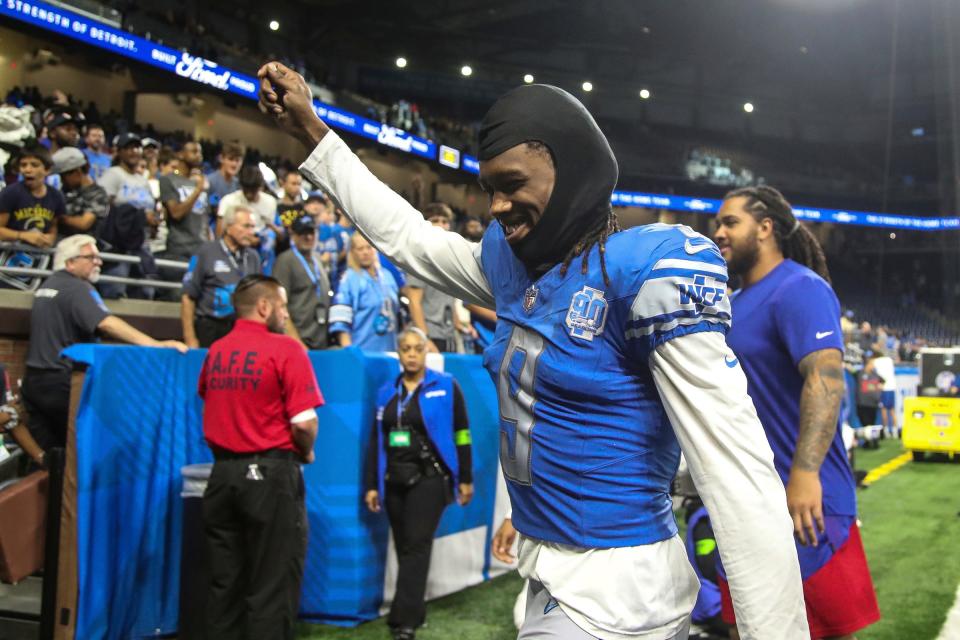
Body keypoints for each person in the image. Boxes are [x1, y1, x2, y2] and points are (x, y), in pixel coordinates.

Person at [260, 62, 807, 639]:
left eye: (513, 184)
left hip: (616, 583)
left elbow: (738, 472)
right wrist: (314, 135)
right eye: (489, 188)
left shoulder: (644, 271)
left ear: (571, 173)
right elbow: (410, 239)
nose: (496, 205)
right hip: (554, 568)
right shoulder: (514, 268)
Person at [713, 185, 880, 639]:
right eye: (718, 223)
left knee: (822, 630)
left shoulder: (799, 287)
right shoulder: (731, 304)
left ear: (765, 228)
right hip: (747, 504)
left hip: (805, 497)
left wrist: (805, 474)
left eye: (731, 222)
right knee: (745, 630)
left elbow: (825, 379)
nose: (719, 232)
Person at [198, 273, 322, 639]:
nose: (286, 315)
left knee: (224, 586)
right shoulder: (286, 349)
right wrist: (307, 451)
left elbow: (209, 396)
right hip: (270, 475)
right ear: (265, 307)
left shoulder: (217, 350)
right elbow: (303, 422)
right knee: (272, 586)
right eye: (283, 306)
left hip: (221, 477)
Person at [22, 235, 186, 450]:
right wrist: (153, 343)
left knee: (51, 458)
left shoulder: (47, 285)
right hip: (61, 382)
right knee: (84, 450)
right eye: (91, 257)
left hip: (33, 382)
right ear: (70, 262)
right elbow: (106, 323)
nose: (98, 262)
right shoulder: (78, 288)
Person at [364, 327, 474, 640]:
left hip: (430, 478)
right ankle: (416, 610)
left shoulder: (446, 386)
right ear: (398, 353)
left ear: (427, 351)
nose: (412, 354)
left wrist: (465, 477)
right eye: (405, 349)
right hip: (394, 479)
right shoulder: (386, 391)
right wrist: (373, 484)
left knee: (415, 545)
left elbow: (462, 433)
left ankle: (405, 621)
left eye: (417, 348)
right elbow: (377, 441)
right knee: (405, 547)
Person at [182, 206, 261, 348]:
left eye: (253, 227)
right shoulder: (206, 252)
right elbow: (188, 297)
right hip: (210, 327)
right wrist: (190, 338)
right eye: (246, 226)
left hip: (241, 329)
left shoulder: (253, 257)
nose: (251, 232)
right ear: (228, 227)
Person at [406, 203, 476, 353]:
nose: (441, 225)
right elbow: (414, 301)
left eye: (445, 221)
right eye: (435, 220)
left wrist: (460, 324)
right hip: (429, 335)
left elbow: (448, 299)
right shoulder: (420, 256)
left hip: (448, 335)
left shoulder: (448, 258)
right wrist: (424, 338)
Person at [97, 133, 157, 299]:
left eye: (137, 148)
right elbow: (103, 207)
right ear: (120, 152)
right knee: (115, 291)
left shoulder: (142, 180)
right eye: (129, 148)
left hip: (142, 244)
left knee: (146, 292)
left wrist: (152, 221)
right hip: (119, 244)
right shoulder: (113, 174)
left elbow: (151, 209)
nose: (134, 152)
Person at [0, 145, 63, 290]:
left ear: (47, 170)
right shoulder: (10, 193)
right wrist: (23, 235)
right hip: (7, 261)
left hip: (37, 262)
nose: (27, 169)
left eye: (34, 165)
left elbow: (54, 225)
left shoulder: (56, 196)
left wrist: (51, 237)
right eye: (23, 165)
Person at [328, 233, 399, 351]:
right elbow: (340, 323)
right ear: (352, 252)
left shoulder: (387, 276)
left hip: (390, 350)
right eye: (360, 249)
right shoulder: (347, 280)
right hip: (362, 351)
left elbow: (397, 314)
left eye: (369, 247)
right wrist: (351, 354)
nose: (365, 252)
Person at [273, 214, 331, 349]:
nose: (308, 237)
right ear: (293, 235)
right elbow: (278, 305)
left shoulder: (318, 259)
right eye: (302, 233)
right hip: (298, 342)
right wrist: (297, 343)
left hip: (320, 340)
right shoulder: (285, 260)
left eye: (311, 232)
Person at [217, 166, 280, 273]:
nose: (249, 194)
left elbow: (273, 232)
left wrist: (260, 240)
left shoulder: (270, 202)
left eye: (253, 190)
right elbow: (219, 234)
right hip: (232, 249)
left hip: (261, 251)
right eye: (246, 190)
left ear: (261, 187)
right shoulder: (228, 201)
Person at [158, 140, 209, 269]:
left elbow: (204, 217)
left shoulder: (200, 181)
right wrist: (197, 190)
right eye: (194, 151)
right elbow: (176, 213)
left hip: (201, 249)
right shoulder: (168, 180)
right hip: (179, 250)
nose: (199, 155)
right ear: (180, 155)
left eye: (200, 152)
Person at [52, 147, 109, 239]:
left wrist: (58, 217)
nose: (62, 181)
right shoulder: (64, 191)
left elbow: (84, 223)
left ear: (77, 172)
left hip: (84, 245)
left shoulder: (97, 193)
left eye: (63, 176)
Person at [872, 353, 898, 437]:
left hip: (884, 389)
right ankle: (895, 431)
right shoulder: (889, 360)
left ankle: (886, 431)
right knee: (892, 411)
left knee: (884, 411)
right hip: (892, 388)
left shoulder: (876, 361)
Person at [856, 355, 883, 429]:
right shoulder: (859, 373)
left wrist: (880, 387)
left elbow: (883, 381)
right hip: (862, 404)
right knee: (865, 424)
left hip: (873, 404)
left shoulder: (875, 374)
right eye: (872, 364)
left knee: (871, 425)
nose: (873, 365)